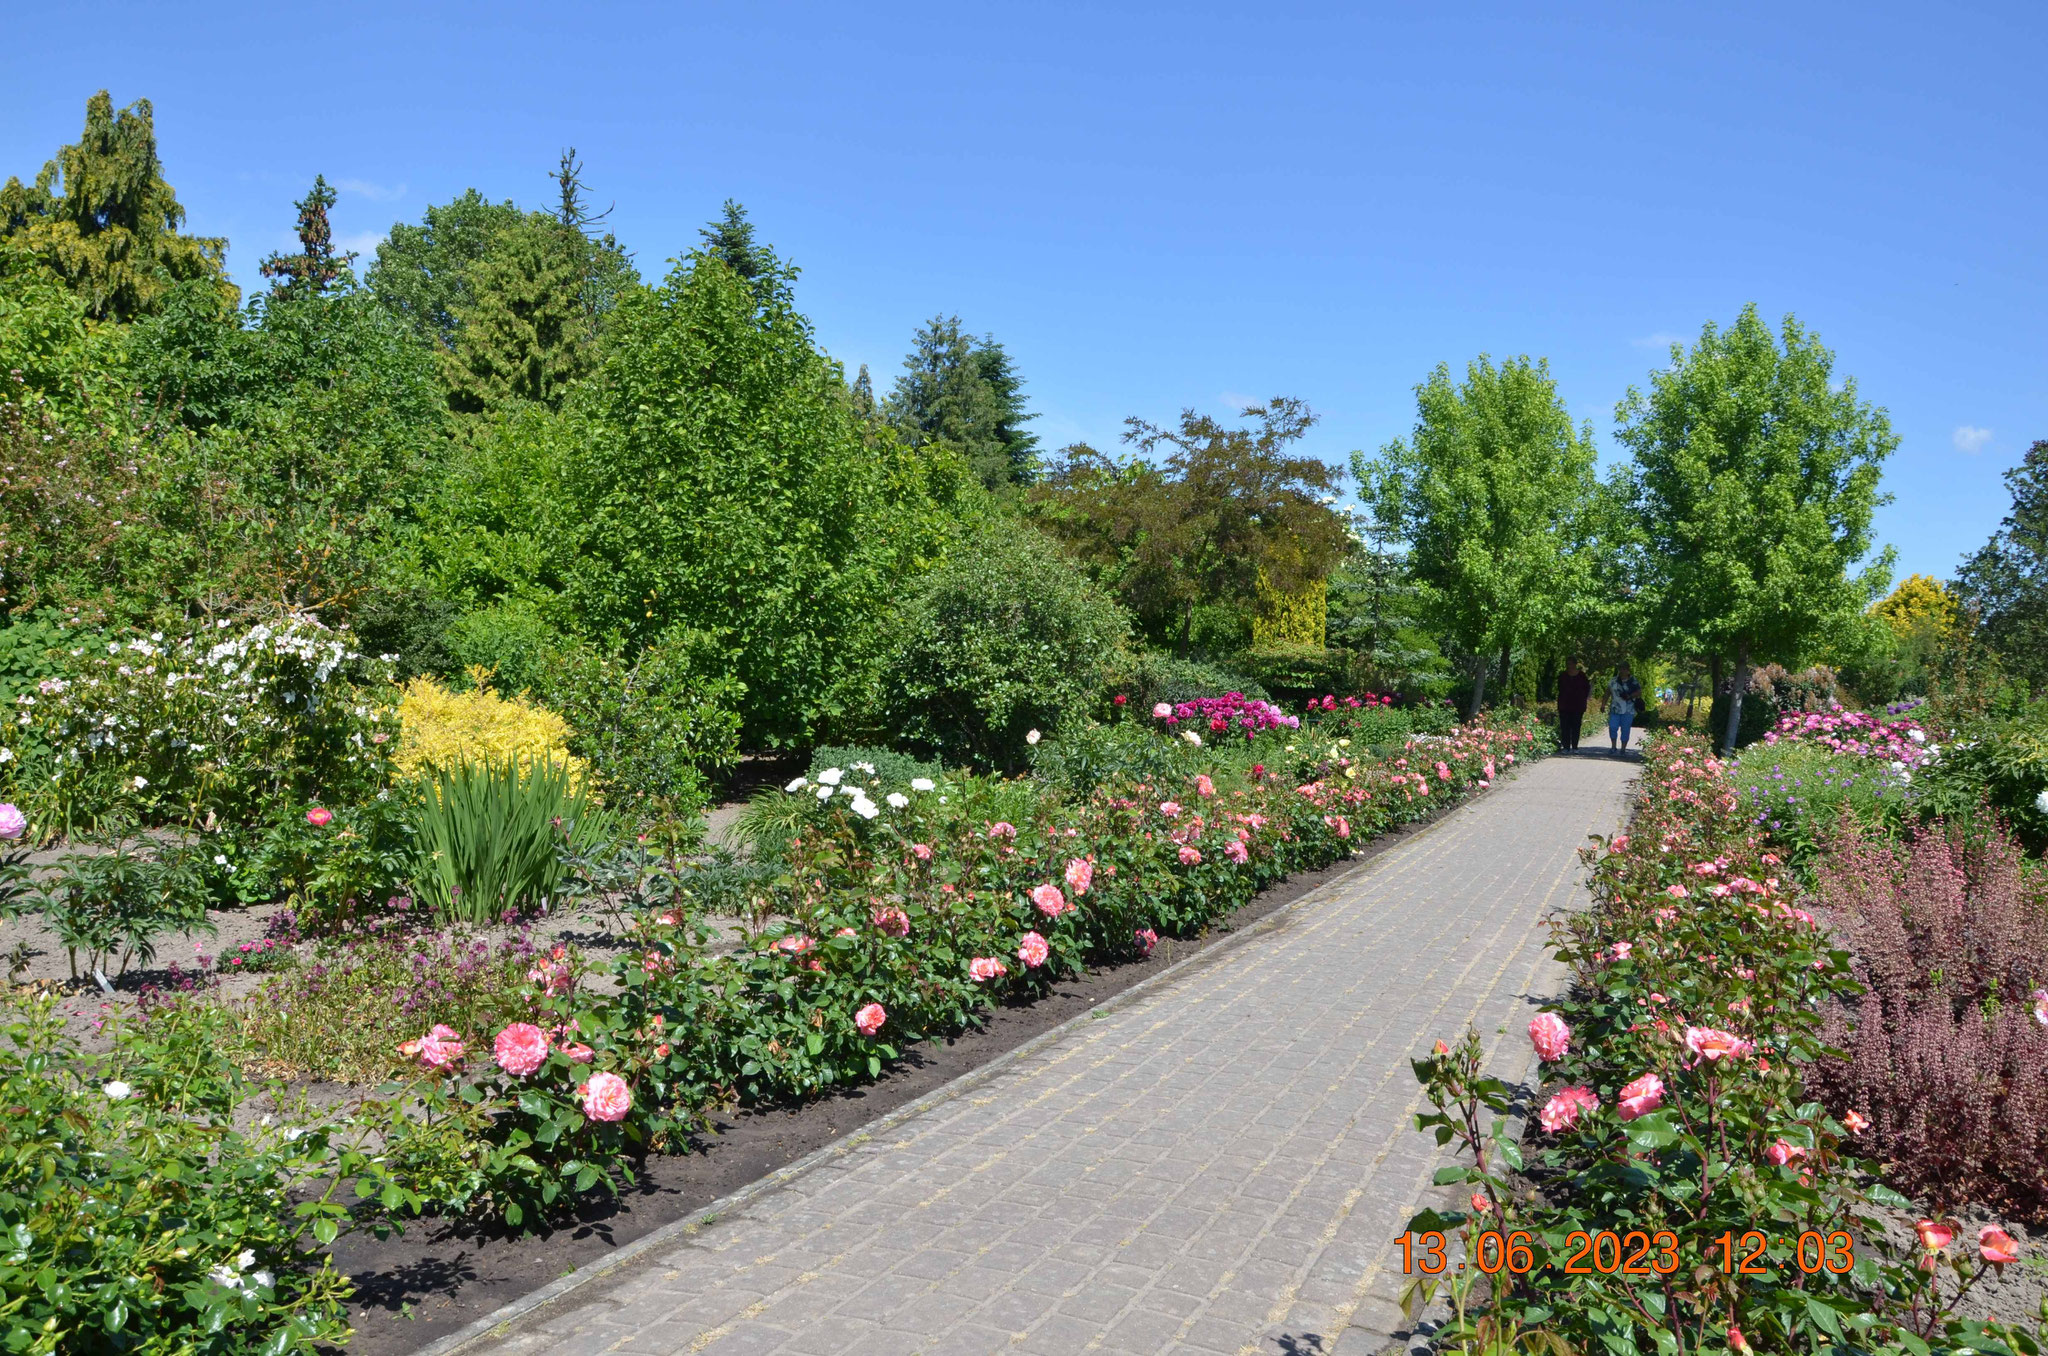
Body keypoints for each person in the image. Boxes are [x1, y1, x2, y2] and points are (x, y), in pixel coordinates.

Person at [1556, 659, 1591, 752]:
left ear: (1575, 664)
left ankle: (1575, 746)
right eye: (1567, 664)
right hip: (1564, 705)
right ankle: (1566, 747)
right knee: (1565, 726)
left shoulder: (1582, 676)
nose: (1569, 666)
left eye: (1571, 663)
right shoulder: (1563, 675)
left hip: (1578, 705)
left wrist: (1583, 699)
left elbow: (1587, 689)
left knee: (1576, 726)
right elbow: (1559, 688)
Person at [1608, 662, 1643, 753]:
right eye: (1621, 669)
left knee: (1625, 729)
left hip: (1628, 709)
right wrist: (1603, 704)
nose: (1622, 671)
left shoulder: (1633, 681)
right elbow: (1607, 692)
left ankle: (1623, 748)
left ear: (1628, 670)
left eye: (1624, 669)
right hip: (1615, 708)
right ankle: (1613, 746)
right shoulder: (1613, 680)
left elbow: (1639, 692)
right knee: (1612, 727)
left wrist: (1630, 696)